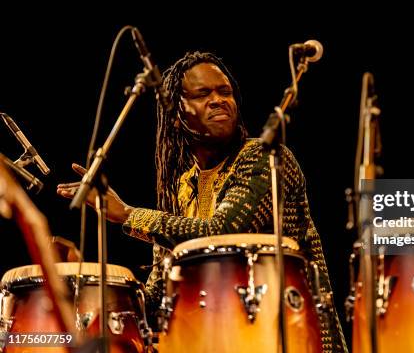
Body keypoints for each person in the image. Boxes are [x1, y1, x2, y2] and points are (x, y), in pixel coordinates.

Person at [57, 51, 348, 353]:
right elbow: (158, 296)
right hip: (220, 339)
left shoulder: (265, 158)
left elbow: (222, 231)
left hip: (292, 338)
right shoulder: (182, 189)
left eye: (225, 92)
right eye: (202, 93)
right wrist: (92, 291)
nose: (218, 100)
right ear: (176, 112)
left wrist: (129, 214)